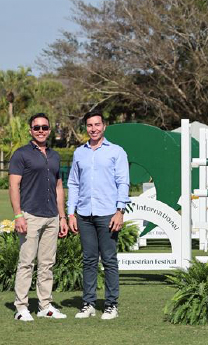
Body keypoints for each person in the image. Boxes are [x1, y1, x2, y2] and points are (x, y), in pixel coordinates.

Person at [67, 111, 130, 320]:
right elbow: (73, 184)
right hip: (84, 214)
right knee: (89, 260)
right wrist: (71, 213)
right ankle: (88, 304)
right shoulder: (79, 153)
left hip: (108, 213)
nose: (93, 128)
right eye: (89, 125)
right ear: (86, 128)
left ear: (104, 126)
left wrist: (120, 211)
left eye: (97, 124)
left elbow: (123, 182)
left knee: (110, 260)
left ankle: (111, 305)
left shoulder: (117, 152)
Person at [9, 113, 69, 321]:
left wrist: (62, 217)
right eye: (37, 127)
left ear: (50, 130)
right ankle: (21, 308)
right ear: (30, 130)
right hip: (30, 215)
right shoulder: (21, 154)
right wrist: (18, 215)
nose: (41, 130)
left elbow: (58, 186)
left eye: (44, 127)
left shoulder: (54, 156)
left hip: (52, 216)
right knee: (26, 263)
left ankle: (45, 305)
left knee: (47, 264)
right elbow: (14, 186)